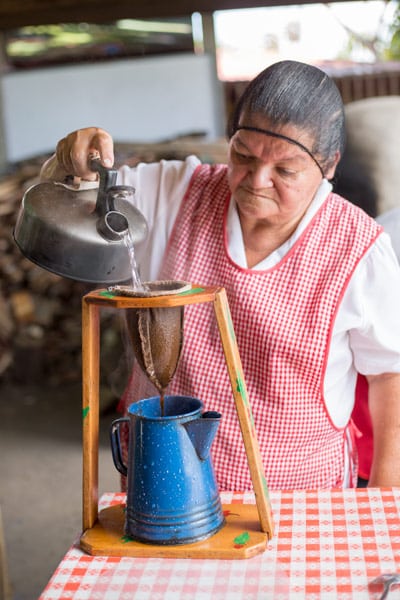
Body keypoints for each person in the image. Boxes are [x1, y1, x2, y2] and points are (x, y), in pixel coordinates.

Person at [40, 60, 400, 491]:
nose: (258, 181)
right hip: (162, 489)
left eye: (285, 170)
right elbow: (72, 197)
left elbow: (389, 376)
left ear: (329, 166)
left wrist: (382, 503)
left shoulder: (358, 247)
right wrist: (68, 164)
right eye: (243, 156)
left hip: (301, 498)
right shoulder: (174, 193)